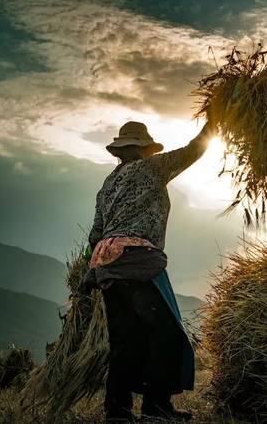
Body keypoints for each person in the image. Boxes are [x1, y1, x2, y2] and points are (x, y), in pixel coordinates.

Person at [86, 118, 216, 422]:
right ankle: (156, 408)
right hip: (138, 263)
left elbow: (95, 233)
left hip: (106, 267)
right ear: (144, 149)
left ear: (121, 151)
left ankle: (116, 412)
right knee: (165, 333)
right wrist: (215, 122)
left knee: (124, 341)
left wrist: (89, 273)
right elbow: (193, 150)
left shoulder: (107, 185)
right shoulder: (152, 168)